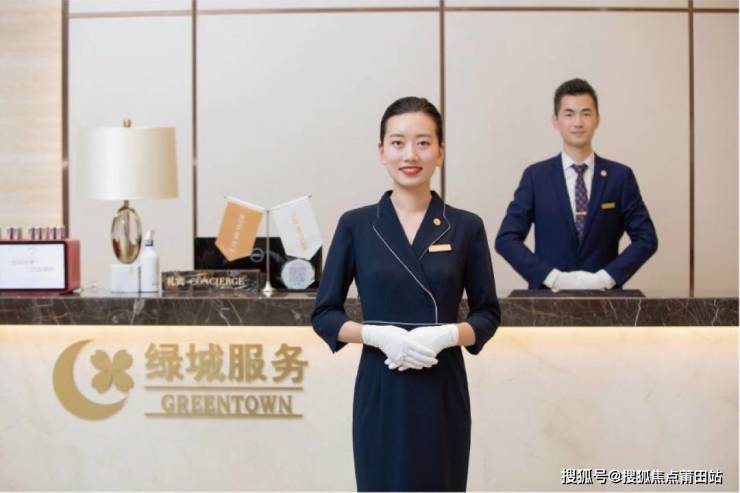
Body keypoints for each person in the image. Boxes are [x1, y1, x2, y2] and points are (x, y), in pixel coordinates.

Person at [312, 96, 500, 491]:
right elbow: (324, 314)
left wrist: (448, 335)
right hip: (382, 382)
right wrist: (376, 335)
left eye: (423, 143)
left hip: (441, 383)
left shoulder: (465, 226)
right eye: (398, 143)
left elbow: (487, 314)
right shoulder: (357, 225)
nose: (410, 155)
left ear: (440, 152)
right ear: (381, 151)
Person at [495, 78, 658, 290]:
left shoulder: (619, 177)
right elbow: (506, 239)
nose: (578, 122)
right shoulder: (536, 177)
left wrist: (606, 278)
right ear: (556, 120)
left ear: (598, 119)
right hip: (547, 300)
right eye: (569, 114)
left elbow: (646, 238)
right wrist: (551, 277)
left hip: (605, 299)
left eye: (586, 113)